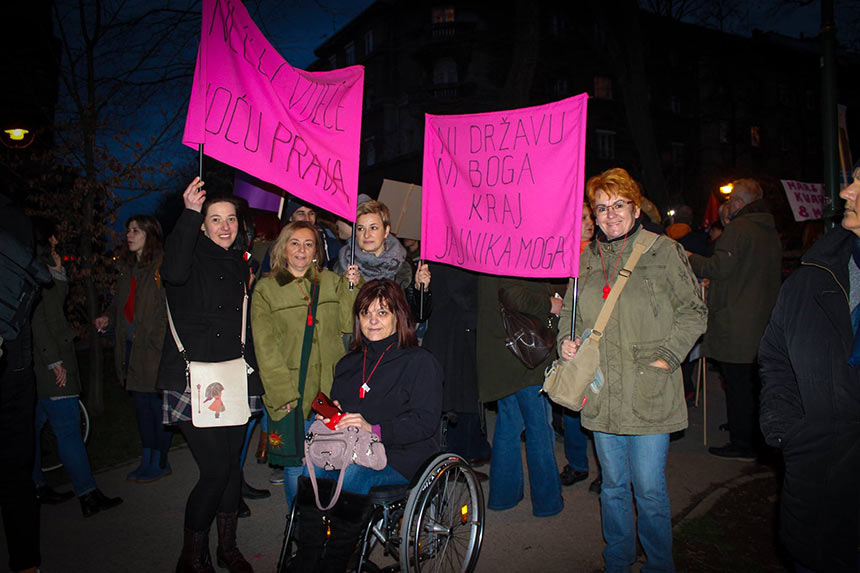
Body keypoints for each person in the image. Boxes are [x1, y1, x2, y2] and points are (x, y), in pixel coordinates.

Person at [559, 167, 706, 572]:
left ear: (636, 208)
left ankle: (660, 564)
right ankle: (617, 561)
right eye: (601, 207)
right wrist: (566, 344)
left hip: (648, 389)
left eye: (618, 205)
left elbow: (694, 312)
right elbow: (567, 316)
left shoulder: (663, 251)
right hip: (603, 390)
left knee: (650, 490)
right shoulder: (585, 259)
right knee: (612, 488)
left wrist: (668, 357)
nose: (609, 214)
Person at [293, 278, 443, 571]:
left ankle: (335, 562)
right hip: (350, 448)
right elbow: (342, 412)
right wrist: (332, 417)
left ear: (399, 317)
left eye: (383, 312)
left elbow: (425, 422)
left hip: (402, 452)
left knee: (351, 476)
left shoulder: (420, 362)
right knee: (305, 470)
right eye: (365, 313)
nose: (373, 320)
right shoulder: (348, 364)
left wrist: (373, 429)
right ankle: (309, 557)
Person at [157, 177, 263, 573]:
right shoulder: (187, 252)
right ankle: (191, 556)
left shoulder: (239, 263)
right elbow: (174, 271)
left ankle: (227, 549)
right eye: (214, 218)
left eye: (230, 218)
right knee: (216, 469)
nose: (224, 225)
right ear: (201, 225)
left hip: (234, 376)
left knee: (232, 467)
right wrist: (187, 213)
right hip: (192, 378)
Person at [758, 165, 860, 572]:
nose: (847, 192)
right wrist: (787, 428)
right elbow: (775, 356)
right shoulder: (813, 275)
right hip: (817, 482)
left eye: (859, 183)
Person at [251, 221, 360, 504]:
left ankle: (320, 520)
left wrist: (351, 287)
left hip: (329, 391)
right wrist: (280, 393)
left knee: (329, 458)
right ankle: (297, 525)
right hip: (293, 392)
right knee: (296, 465)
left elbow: (348, 324)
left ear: (316, 251)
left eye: (308, 244)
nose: (301, 249)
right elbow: (265, 348)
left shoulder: (330, 281)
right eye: (295, 243)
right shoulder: (267, 289)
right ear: (283, 248)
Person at [29, 219, 125, 518]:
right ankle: (87, 494)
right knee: (68, 429)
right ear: (50, 239)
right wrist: (53, 361)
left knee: (30, 428)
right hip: (51, 362)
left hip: (45, 358)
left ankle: (35, 485)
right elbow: (39, 319)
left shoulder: (42, 266)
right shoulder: (36, 269)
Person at [688, 178, 782, 460]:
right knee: (749, 381)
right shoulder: (768, 229)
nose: (727, 207)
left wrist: (691, 257)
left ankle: (742, 442)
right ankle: (747, 429)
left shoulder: (739, 229)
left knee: (737, 382)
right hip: (759, 317)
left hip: (737, 319)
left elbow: (719, 268)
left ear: (739, 203)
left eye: (730, 202)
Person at [476, 274, 564, 517]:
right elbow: (513, 294)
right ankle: (547, 502)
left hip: (506, 353)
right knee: (539, 429)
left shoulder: (492, 250)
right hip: (525, 357)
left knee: (509, 425)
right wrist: (551, 305)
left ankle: (504, 496)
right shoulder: (514, 248)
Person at [94, 215, 171, 483]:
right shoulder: (128, 268)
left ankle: (160, 460)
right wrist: (107, 316)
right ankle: (147, 457)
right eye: (128, 230)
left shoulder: (161, 266)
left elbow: (166, 308)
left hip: (153, 349)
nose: (129, 234)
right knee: (140, 406)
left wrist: (157, 340)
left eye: (135, 230)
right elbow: (120, 302)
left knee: (156, 407)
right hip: (130, 347)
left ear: (149, 234)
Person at [0, 196, 50, 573]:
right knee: (15, 472)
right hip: (17, 360)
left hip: (14, 365)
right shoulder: (14, 217)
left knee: (15, 471)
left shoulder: (11, 219)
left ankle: (25, 561)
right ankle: (26, 562)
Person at [559, 203, 601, 492]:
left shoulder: (603, 254)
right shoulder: (563, 254)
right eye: (583, 218)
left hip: (598, 342)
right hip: (573, 340)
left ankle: (607, 471)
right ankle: (577, 463)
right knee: (572, 407)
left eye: (591, 217)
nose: (589, 223)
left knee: (599, 409)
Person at [335, 199, 431, 322]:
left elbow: (418, 315)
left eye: (373, 228)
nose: (366, 235)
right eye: (360, 229)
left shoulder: (403, 268)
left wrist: (421, 289)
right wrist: (351, 289)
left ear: (386, 231)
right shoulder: (340, 266)